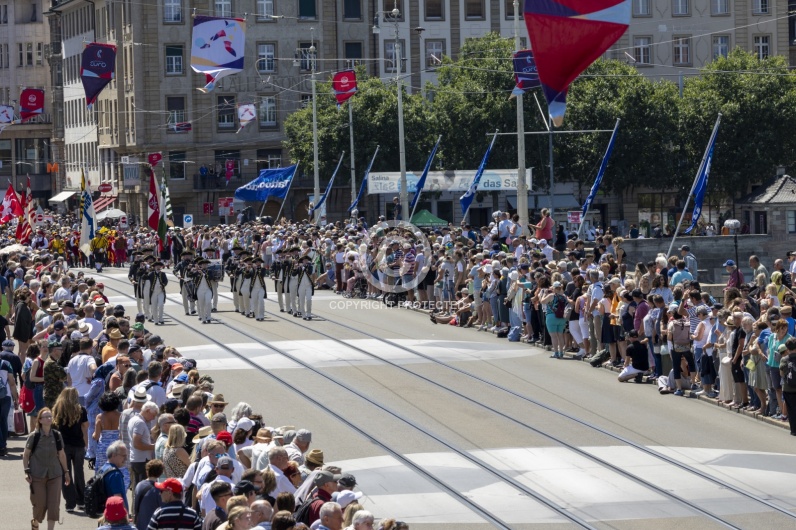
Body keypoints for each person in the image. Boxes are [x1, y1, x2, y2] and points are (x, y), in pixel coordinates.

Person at [23, 408, 70, 530]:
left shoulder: (57, 435)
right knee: (40, 505)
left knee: (54, 506)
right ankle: (35, 523)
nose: (49, 418)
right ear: (40, 420)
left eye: (50, 416)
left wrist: (66, 472)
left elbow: (62, 455)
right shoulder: (34, 436)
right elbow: (26, 455)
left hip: (55, 474)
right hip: (37, 475)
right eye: (46, 417)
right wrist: (26, 471)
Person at [51, 387, 88, 512]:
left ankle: (70, 502)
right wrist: (86, 444)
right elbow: (85, 428)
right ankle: (81, 500)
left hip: (63, 446)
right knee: (79, 473)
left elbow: (53, 429)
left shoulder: (57, 409)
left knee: (65, 473)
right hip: (78, 445)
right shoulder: (81, 410)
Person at [134, 460, 164, 530]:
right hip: (153, 526)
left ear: (147, 471)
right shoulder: (159, 489)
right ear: (160, 473)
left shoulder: (139, 485)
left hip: (140, 525)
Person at [0, 348, 19, 456]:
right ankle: (3, 445)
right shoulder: (6, 364)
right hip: (5, 395)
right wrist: (15, 398)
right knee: (3, 420)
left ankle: (1, 445)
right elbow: (12, 382)